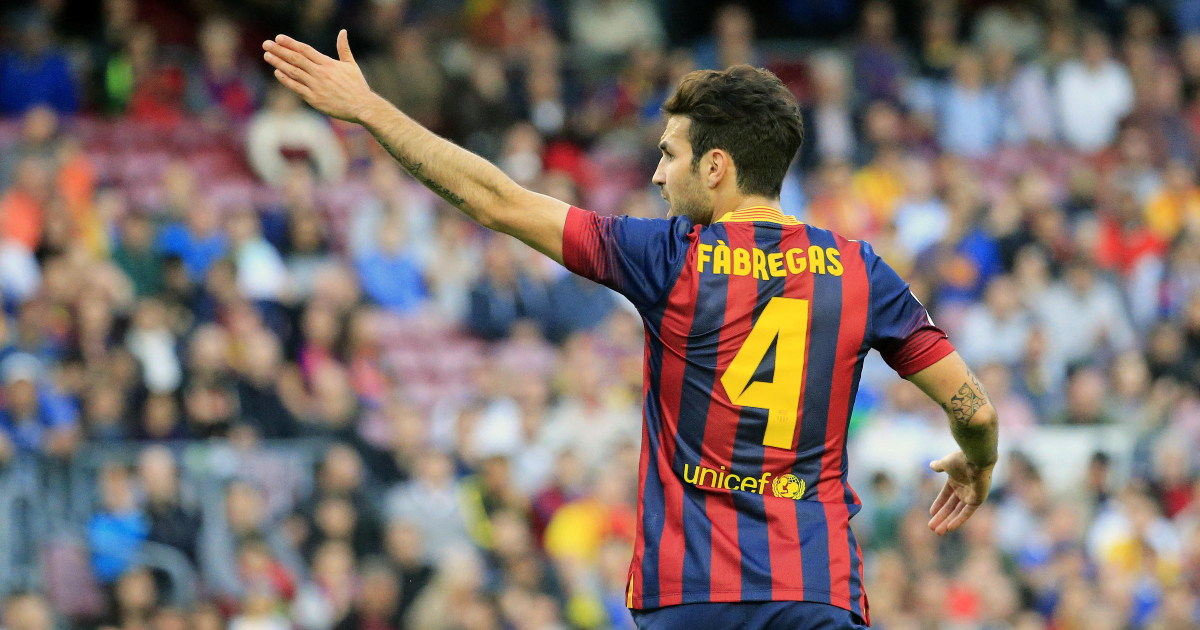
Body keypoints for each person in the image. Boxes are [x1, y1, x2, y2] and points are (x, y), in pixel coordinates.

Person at [262, 31, 1000, 630]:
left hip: (692, 598)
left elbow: (496, 201)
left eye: (669, 155)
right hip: (816, 593)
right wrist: (976, 460)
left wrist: (369, 111)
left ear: (716, 166)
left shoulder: (668, 256)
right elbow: (975, 409)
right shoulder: (859, 270)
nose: (656, 176)